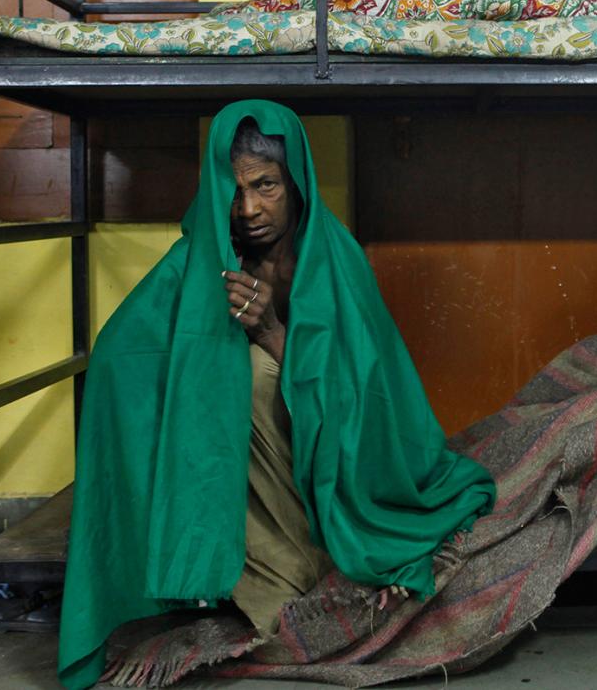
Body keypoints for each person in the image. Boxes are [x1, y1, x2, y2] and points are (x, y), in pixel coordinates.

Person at [58, 100, 496, 690]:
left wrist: (268, 332)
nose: (250, 209)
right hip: (245, 469)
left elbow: (360, 400)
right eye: (235, 190)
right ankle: (222, 572)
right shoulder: (209, 254)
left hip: (335, 460)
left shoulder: (332, 260)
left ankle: (318, 558)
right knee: (205, 379)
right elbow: (122, 353)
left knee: (254, 374)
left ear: (295, 182)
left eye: (266, 186)